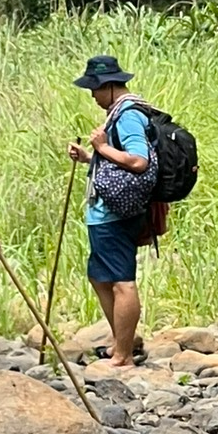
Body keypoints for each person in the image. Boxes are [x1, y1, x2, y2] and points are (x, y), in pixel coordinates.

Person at [69, 54, 153, 370]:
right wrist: (90, 158)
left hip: (115, 214)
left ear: (109, 85)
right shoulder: (119, 113)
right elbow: (118, 163)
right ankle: (122, 343)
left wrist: (102, 148)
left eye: (94, 88)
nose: (92, 95)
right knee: (100, 276)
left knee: (121, 281)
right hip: (108, 212)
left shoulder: (128, 115)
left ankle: (123, 356)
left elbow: (138, 161)